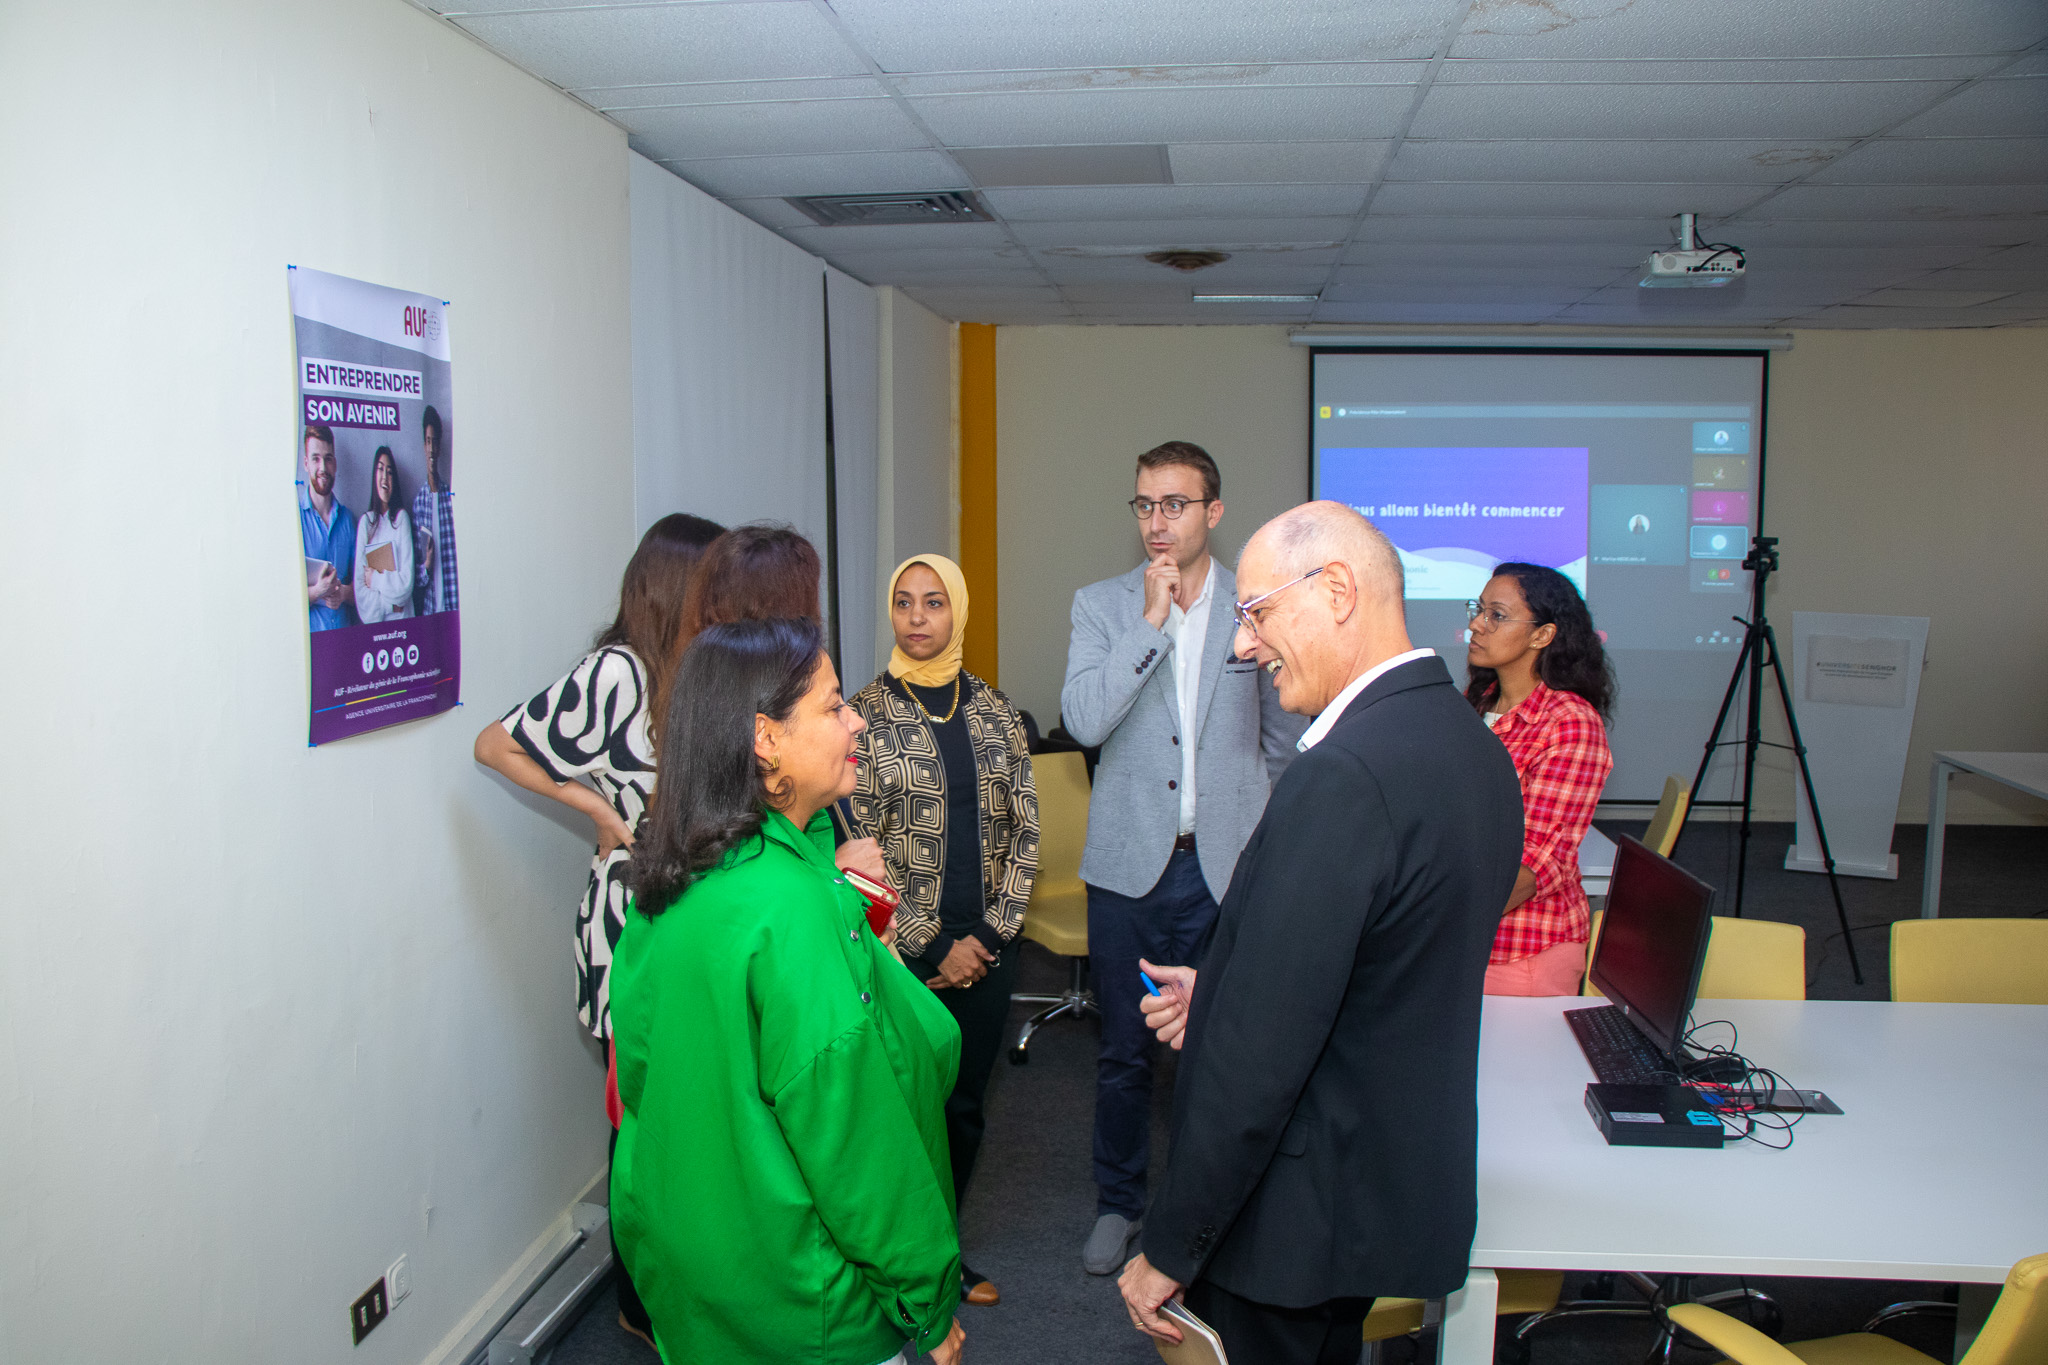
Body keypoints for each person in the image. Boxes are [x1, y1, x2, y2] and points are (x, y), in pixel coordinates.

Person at [1118, 502, 1524, 1365]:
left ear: (1336, 590)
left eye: (1256, 612)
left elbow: (1260, 1060)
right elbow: (1387, 967)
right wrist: (1223, 991)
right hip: (1374, 1191)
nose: (1243, 645)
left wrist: (1173, 1242)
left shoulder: (1342, 775)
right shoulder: (1470, 746)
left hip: (1293, 1220)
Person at [611, 617, 967, 1365]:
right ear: (765, 739)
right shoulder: (792, 908)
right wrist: (928, 1301)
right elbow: (852, 1138)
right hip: (804, 1297)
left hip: (697, 1269)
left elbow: (641, 1077)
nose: (856, 719)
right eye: (833, 705)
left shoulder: (669, 877)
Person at [473, 511, 725, 1348]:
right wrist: (593, 806)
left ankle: (676, 1276)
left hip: (689, 920)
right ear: (675, 584)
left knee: (682, 1112)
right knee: (638, 1118)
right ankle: (637, 1302)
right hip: (632, 925)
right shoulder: (617, 672)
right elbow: (495, 744)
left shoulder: (691, 671)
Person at [1059, 440, 1303, 1274]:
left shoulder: (1252, 606)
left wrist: (1271, 843)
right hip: (1129, 866)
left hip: (1226, 865)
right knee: (1124, 1050)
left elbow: (1283, 739)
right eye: (1145, 504)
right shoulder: (1103, 606)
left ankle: (1209, 1210)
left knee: (1223, 1051)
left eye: (1175, 503)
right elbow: (1085, 720)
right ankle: (1118, 1202)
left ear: (1213, 511)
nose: (1157, 521)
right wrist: (1150, 623)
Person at [848, 554, 1037, 1310]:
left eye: (933, 602)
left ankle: (942, 1251)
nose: (917, 617)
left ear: (957, 611)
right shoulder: (861, 717)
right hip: (900, 952)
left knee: (962, 1107)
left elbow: (1027, 832)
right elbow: (858, 847)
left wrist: (987, 937)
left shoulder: (996, 711)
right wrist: (932, 945)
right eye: (903, 602)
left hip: (988, 949)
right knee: (898, 1106)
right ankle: (888, 1257)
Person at [1465, 563, 1615, 996]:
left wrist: (1422, 924)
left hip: (1521, 955)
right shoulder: (1478, 703)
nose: (1477, 624)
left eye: (1497, 615)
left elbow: (1532, 868)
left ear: (1542, 635)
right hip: (1466, 946)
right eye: (1479, 609)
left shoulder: (1569, 722)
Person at [300, 423, 356, 631]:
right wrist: (317, 591)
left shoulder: (348, 520)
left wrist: (343, 593)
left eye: (328, 458)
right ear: (306, 463)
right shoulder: (294, 521)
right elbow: (280, 597)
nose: (323, 468)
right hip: (310, 642)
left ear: (335, 463)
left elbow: (363, 588)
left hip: (345, 638)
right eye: (315, 459)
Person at [353, 446, 415, 623]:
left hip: (403, 623)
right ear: (374, 475)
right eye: (380, 469)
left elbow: (406, 585)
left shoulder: (401, 519)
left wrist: (375, 579)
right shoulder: (366, 523)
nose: (384, 477)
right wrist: (391, 606)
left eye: (389, 472)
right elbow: (360, 594)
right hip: (377, 628)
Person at [411, 405, 457, 616]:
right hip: (431, 611)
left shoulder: (451, 498)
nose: (431, 449)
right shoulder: (419, 503)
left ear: (439, 448)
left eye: (435, 442)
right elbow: (417, 574)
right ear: (424, 446)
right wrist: (427, 566)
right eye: (428, 441)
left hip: (455, 606)